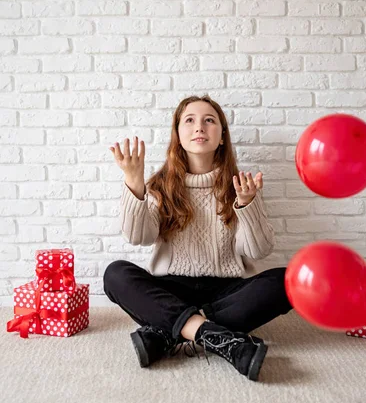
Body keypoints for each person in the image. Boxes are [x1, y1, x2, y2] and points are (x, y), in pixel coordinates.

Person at [104, 95, 292, 381]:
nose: (199, 127)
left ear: (221, 136)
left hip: (226, 292)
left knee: (290, 281)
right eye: (189, 121)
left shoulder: (241, 187)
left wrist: (247, 205)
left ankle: (169, 334)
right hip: (169, 290)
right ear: (178, 135)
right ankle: (215, 336)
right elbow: (138, 237)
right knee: (115, 274)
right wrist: (134, 182)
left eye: (209, 120)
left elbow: (258, 251)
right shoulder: (159, 185)